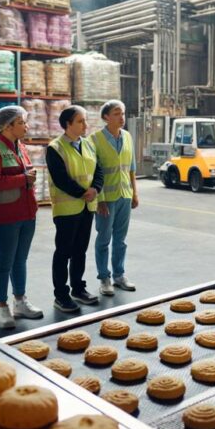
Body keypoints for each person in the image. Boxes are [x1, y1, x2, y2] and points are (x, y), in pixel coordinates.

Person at [0, 105, 44, 329]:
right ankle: (1, 307)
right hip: (6, 215)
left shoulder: (21, 147)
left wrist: (28, 178)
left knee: (20, 260)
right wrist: (23, 178)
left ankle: (20, 301)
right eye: (22, 123)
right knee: (4, 261)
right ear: (8, 126)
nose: (26, 126)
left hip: (27, 212)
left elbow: (24, 175)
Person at [46, 105, 104, 313]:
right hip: (67, 209)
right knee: (64, 252)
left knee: (80, 250)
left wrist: (95, 188)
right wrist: (83, 192)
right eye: (80, 121)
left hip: (88, 206)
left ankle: (78, 289)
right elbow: (61, 178)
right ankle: (61, 295)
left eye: (85, 120)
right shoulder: (55, 148)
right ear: (67, 124)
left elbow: (99, 170)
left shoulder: (88, 145)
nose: (85, 125)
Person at [89, 100, 138, 296]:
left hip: (124, 195)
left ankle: (119, 275)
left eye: (123, 113)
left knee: (121, 239)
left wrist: (135, 192)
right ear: (106, 117)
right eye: (117, 113)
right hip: (106, 198)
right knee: (103, 238)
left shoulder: (127, 137)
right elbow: (93, 172)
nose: (122, 117)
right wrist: (99, 199)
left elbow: (131, 168)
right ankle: (104, 277)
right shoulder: (95, 139)